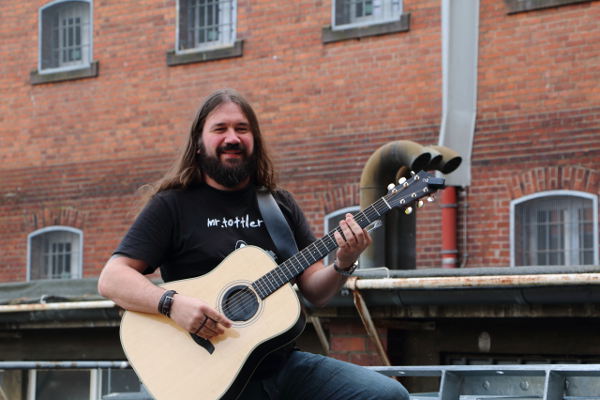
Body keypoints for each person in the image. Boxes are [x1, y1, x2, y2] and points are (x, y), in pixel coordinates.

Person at [98, 88, 410, 400]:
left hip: (281, 365)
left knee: (386, 395)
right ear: (198, 143)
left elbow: (316, 290)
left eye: (241, 129)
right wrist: (173, 304)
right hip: (212, 374)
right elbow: (112, 279)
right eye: (220, 129)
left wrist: (344, 261)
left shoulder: (279, 205)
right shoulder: (172, 205)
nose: (232, 138)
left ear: (254, 141)